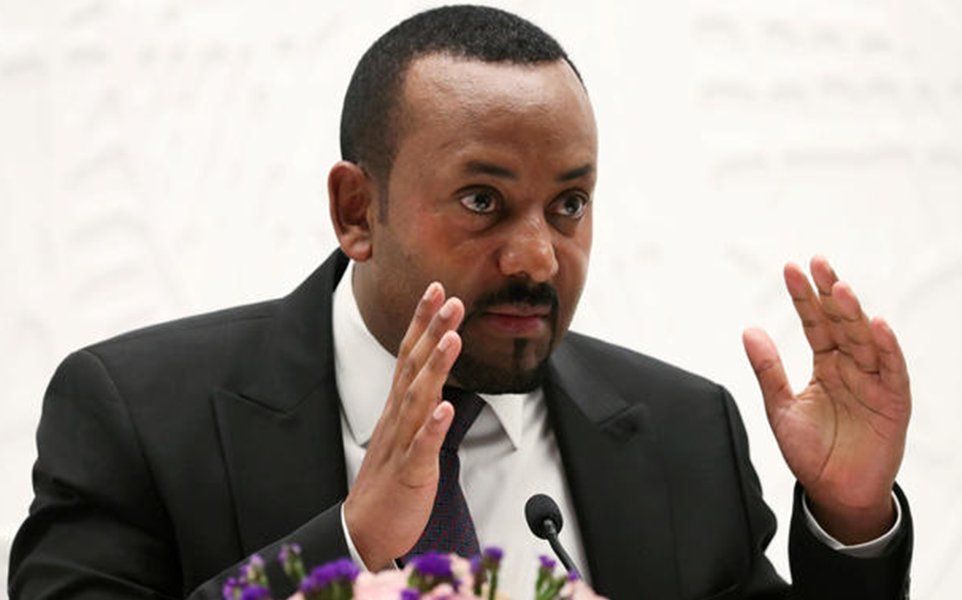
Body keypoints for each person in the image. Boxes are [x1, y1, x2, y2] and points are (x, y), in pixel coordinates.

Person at [8, 5, 913, 599]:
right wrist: (349, 544)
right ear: (356, 211)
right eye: (483, 200)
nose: (537, 256)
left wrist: (851, 521)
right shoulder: (141, 418)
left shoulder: (682, 433)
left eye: (569, 205)